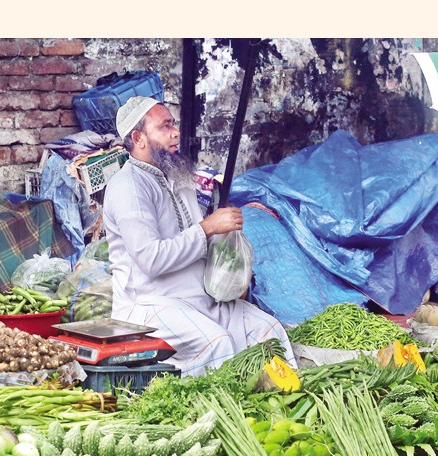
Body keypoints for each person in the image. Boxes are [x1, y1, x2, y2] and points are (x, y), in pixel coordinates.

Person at [102, 96, 296, 376]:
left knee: (268, 331)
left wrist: (226, 245)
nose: (176, 132)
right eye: (164, 126)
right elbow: (151, 260)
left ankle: (283, 403)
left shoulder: (178, 177)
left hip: (198, 298)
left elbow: (198, 239)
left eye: (174, 124)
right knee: (217, 344)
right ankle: (221, 416)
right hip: (147, 305)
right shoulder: (128, 187)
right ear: (138, 138)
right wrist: (208, 228)